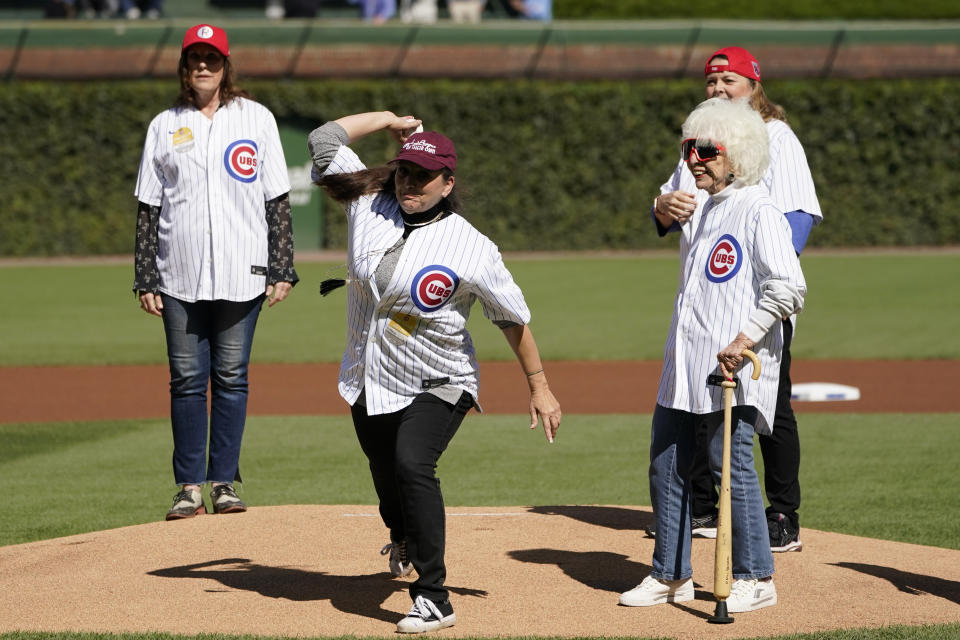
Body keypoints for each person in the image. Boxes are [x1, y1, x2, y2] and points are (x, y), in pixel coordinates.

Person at [308, 111, 561, 633]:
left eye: (423, 177)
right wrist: (387, 122)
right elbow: (323, 137)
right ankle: (401, 536)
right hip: (367, 374)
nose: (410, 184)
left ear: (448, 183)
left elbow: (512, 319)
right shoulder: (368, 201)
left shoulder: (472, 247)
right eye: (404, 172)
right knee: (386, 477)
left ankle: (433, 597)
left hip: (440, 379)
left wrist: (540, 387)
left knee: (411, 464)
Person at [619, 97, 806, 613]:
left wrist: (745, 338)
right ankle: (670, 574)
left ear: (737, 157)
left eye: (706, 150)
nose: (694, 158)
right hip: (683, 363)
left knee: (732, 468)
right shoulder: (699, 209)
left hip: (734, 367)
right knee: (666, 466)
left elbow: (789, 287)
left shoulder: (759, 208)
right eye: (689, 148)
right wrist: (659, 207)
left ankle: (756, 576)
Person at [650, 46, 821, 552]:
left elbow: (797, 217)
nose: (720, 88)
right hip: (701, 301)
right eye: (712, 81)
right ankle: (702, 507)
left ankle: (782, 513)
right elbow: (666, 210)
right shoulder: (702, 137)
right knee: (695, 405)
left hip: (751, 304)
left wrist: (761, 277)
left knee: (767, 411)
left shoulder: (775, 138)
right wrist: (662, 206)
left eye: (731, 80)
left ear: (754, 85)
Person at [133, 23, 298, 521]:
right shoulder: (164, 124)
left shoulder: (257, 118)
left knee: (231, 376)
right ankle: (188, 487)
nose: (203, 66)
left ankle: (223, 482)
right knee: (186, 379)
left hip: (241, 271)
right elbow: (148, 204)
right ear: (184, 67)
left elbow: (277, 198)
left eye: (213, 58)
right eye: (194, 58)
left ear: (227, 65)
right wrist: (144, 274)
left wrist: (282, 266)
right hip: (178, 272)